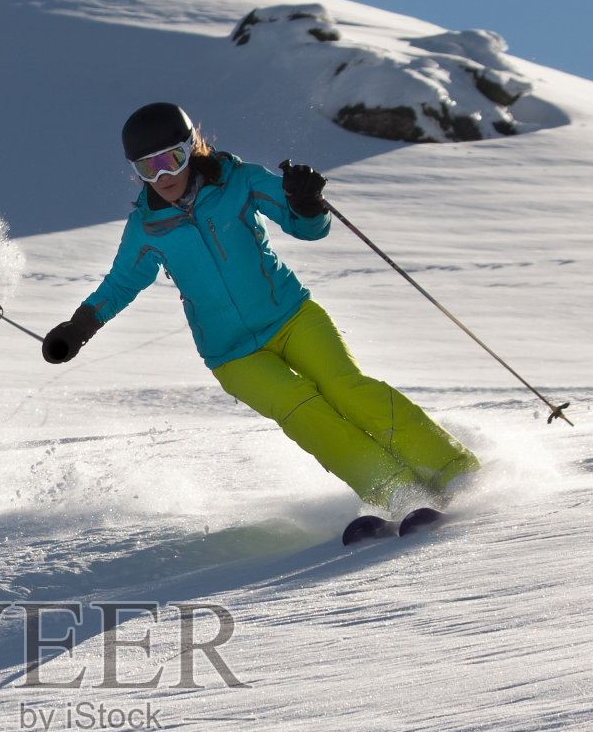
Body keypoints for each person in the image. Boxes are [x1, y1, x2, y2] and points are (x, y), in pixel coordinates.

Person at [42, 103, 480, 539]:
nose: (163, 177)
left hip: (291, 316)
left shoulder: (239, 180)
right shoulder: (147, 227)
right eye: (147, 168)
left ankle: (452, 469)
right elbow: (119, 285)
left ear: (191, 148)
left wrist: (305, 201)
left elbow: (307, 227)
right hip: (232, 354)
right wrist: (78, 328)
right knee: (306, 415)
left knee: (347, 389)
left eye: (171, 160)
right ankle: (398, 491)